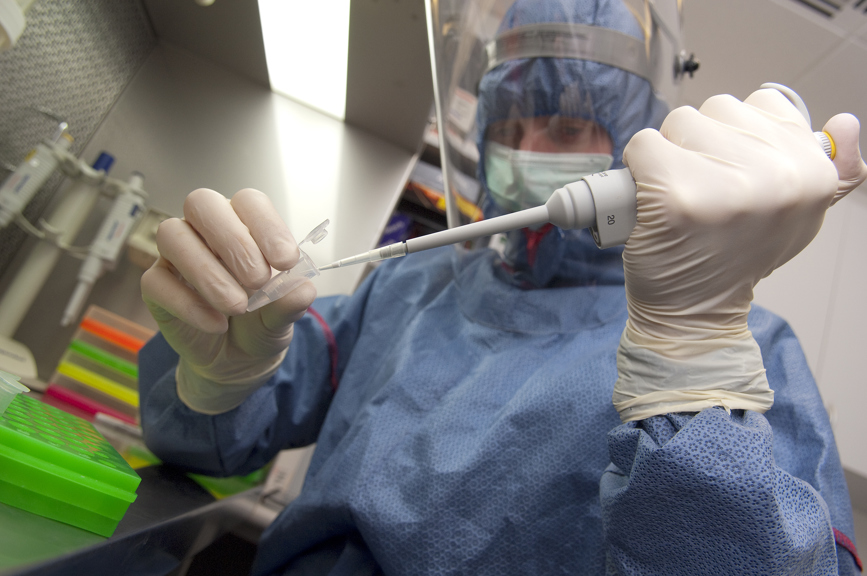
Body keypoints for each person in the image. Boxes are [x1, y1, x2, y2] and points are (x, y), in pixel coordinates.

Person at [138, 0, 865, 574]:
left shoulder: (737, 341)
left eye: (565, 124)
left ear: (630, 139)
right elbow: (201, 446)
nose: (530, 151)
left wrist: (691, 362)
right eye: (510, 123)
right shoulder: (410, 288)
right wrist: (211, 381)